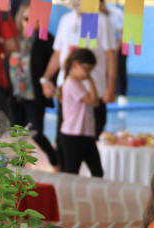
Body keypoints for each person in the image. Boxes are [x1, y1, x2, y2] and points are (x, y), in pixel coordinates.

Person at [41, 0, 117, 168]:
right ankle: (66, 173)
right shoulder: (66, 20)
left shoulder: (101, 20)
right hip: (68, 93)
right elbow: (58, 53)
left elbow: (111, 55)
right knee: (64, 139)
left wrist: (111, 85)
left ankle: (83, 175)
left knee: (90, 139)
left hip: (93, 91)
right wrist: (45, 77)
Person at [8, 2, 58, 168]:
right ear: (19, 19)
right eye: (26, 19)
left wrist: (49, 84)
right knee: (16, 134)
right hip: (14, 95)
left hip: (34, 95)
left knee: (35, 132)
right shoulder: (13, 38)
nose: (30, 23)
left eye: (35, 19)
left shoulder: (46, 40)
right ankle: (19, 166)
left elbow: (54, 67)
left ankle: (55, 158)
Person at [59, 49, 103, 177]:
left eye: (90, 71)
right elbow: (93, 101)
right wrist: (91, 80)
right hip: (72, 134)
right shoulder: (71, 83)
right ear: (75, 65)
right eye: (86, 70)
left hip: (85, 133)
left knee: (97, 172)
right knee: (72, 173)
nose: (87, 74)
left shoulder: (78, 83)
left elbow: (95, 102)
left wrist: (89, 79)